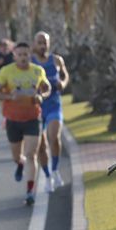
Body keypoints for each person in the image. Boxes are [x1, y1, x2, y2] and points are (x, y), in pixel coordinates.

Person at [0, 42, 50, 206]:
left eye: (26, 54)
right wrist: (9, 97)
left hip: (33, 118)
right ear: (14, 56)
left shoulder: (38, 71)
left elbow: (47, 88)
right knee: (17, 156)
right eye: (20, 54)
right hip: (13, 119)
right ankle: (19, 164)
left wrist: (42, 96)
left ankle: (30, 191)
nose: (23, 57)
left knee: (31, 154)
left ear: (30, 55)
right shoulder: (6, 71)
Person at [32, 31, 71, 191]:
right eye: (39, 42)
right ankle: (47, 176)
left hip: (54, 105)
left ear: (49, 44)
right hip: (37, 108)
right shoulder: (30, 62)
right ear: (34, 44)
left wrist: (63, 82)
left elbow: (65, 75)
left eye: (45, 42)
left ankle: (55, 170)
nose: (42, 45)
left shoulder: (56, 60)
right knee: (41, 145)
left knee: (54, 137)